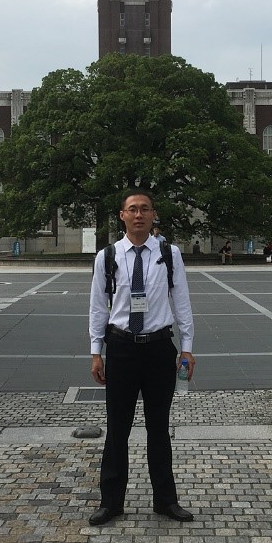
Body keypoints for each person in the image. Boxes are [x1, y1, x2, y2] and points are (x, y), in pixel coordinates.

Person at [88, 191, 196, 526]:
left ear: (153, 215)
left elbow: (181, 301)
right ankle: (111, 502)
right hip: (121, 348)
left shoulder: (169, 254)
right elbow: (98, 307)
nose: (139, 215)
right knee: (117, 429)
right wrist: (96, 352)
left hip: (159, 349)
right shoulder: (107, 256)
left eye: (144, 209)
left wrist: (187, 347)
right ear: (122, 215)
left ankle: (165, 500)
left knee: (158, 428)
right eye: (132, 209)